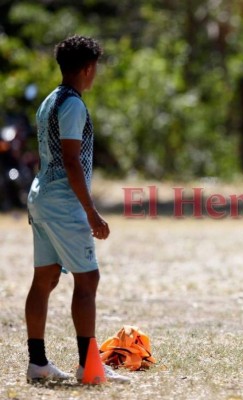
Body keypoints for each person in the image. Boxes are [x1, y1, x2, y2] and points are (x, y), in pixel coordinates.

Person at [25, 35, 129, 383]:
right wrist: (91, 211)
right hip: (62, 202)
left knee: (45, 278)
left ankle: (37, 363)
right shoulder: (73, 105)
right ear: (88, 68)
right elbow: (71, 159)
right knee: (88, 278)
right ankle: (89, 365)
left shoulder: (49, 100)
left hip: (41, 196)